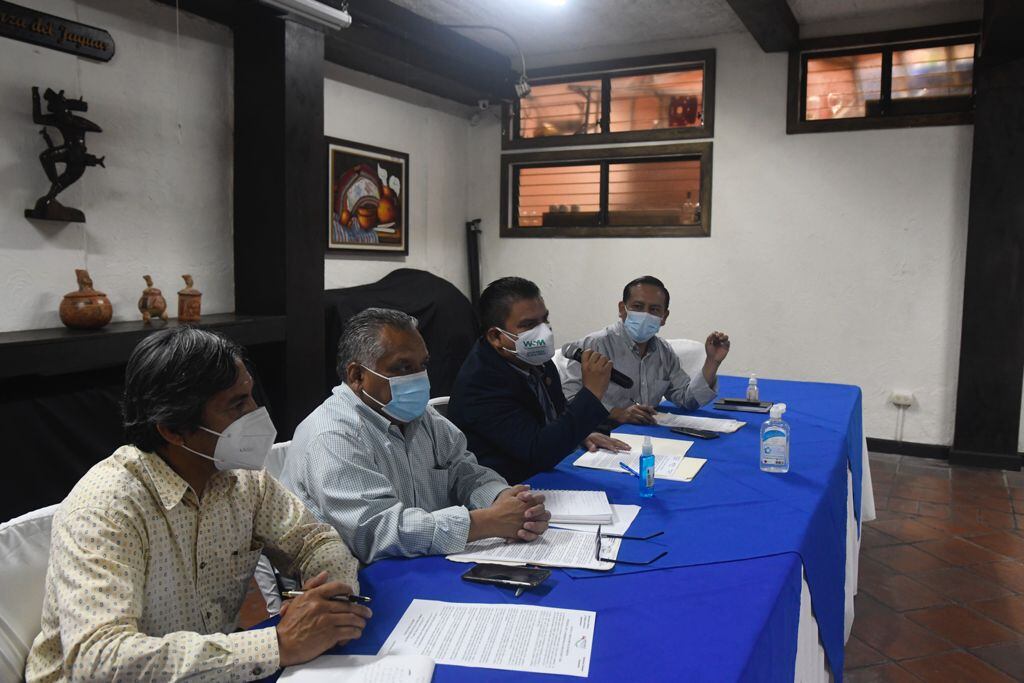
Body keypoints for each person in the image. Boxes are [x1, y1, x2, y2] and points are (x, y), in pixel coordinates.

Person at [27, 327, 370, 683]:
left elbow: (314, 541)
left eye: (251, 396)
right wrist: (278, 644)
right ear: (172, 430)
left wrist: (332, 600)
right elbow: (99, 661)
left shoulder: (243, 479)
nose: (256, 413)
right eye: (237, 404)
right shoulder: (107, 509)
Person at [280, 308, 550, 565]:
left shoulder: (422, 418)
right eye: (403, 367)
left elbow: (466, 472)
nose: (420, 378)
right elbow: (375, 532)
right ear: (357, 375)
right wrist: (485, 522)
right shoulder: (333, 436)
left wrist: (503, 500)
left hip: (421, 563)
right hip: (357, 582)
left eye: (423, 365)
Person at [448, 277, 629, 484]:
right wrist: (591, 394)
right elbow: (538, 452)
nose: (544, 332)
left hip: (543, 471)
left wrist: (580, 435)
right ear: (496, 337)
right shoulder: (481, 384)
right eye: (529, 325)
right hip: (506, 486)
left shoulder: (535, 361)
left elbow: (557, 416)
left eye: (544, 320)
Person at [562, 275, 730, 425]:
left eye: (654, 310)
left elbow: (688, 400)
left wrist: (712, 362)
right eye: (637, 306)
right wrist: (615, 413)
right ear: (622, 309)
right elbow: (568, 399)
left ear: (664, 317)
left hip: (646, 435)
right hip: (599, 433)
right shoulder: (593, 345)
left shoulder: (664, 352)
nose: (645, 314)